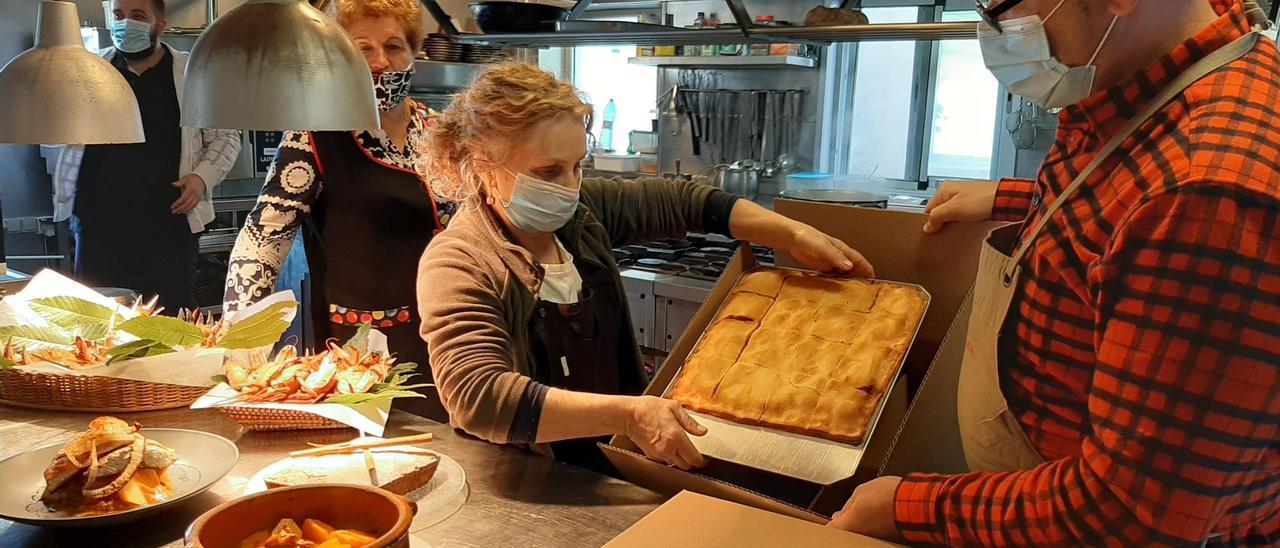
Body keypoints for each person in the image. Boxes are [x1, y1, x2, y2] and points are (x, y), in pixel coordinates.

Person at [830, 0, 1279, 545]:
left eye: (1003, 5)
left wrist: (905, 507)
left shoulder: (1208, 197)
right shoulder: (1143, 85)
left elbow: (1126, 517)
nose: (992, 30)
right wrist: (1012, 197)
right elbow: (1121, 210)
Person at [416, 62, 875, 473]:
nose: (570, 186)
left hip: (615, 460)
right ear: (483, 164)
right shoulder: (461, 260)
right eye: (548, 172)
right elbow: (478, 398)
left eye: (578, 165)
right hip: (532, 476)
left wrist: (791, 234)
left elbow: (685, 201)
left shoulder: (580, 216)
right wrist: (628, 414)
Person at [223, 0, 454, 419]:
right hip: (362, 349)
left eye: (394, 46)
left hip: (448, 335)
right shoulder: (315, 135)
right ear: (341, 58)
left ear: (415, 52)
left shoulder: (440, 131)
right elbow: (262, 239)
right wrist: (242, 342)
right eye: (362, 48)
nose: (380, 61)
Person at [53, 0, 242, 310]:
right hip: (98, 223)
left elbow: (226, 137)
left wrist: (201, 178)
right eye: (118, 15)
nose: (125, 24)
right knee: (97, 319)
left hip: (168, 222)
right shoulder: (91, 72)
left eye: (138, 16)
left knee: (171, 320)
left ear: (160, 24)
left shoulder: (192, 72)